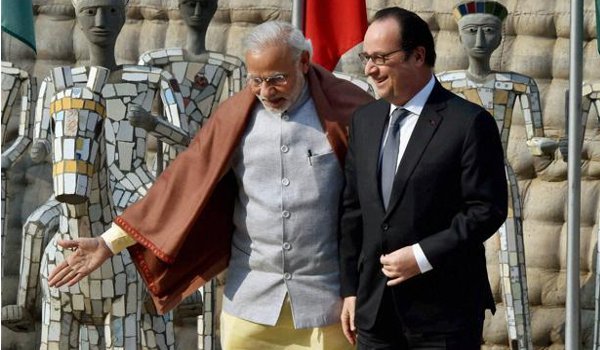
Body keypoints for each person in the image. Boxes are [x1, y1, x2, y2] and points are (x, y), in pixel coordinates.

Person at [48, 20, 373, 349]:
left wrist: (362, 289)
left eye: (278, 79)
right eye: (256, 80)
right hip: (250, 305)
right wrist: (108, 242)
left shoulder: (351, 112)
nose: (265, 92)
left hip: (329, 305)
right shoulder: (235, 116)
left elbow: (382, 198)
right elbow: (183, 181)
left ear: (303, 62)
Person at [339, 7, 508, 349]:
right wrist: (351, 290)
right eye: (366, 57)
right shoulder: (365, 121)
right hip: (374, 314)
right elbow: (353, 211)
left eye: (381, 58)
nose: (370, 68)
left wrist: (421, 256)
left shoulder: (468, 123)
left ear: (418, 56)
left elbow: (486, 210)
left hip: (443, 315)